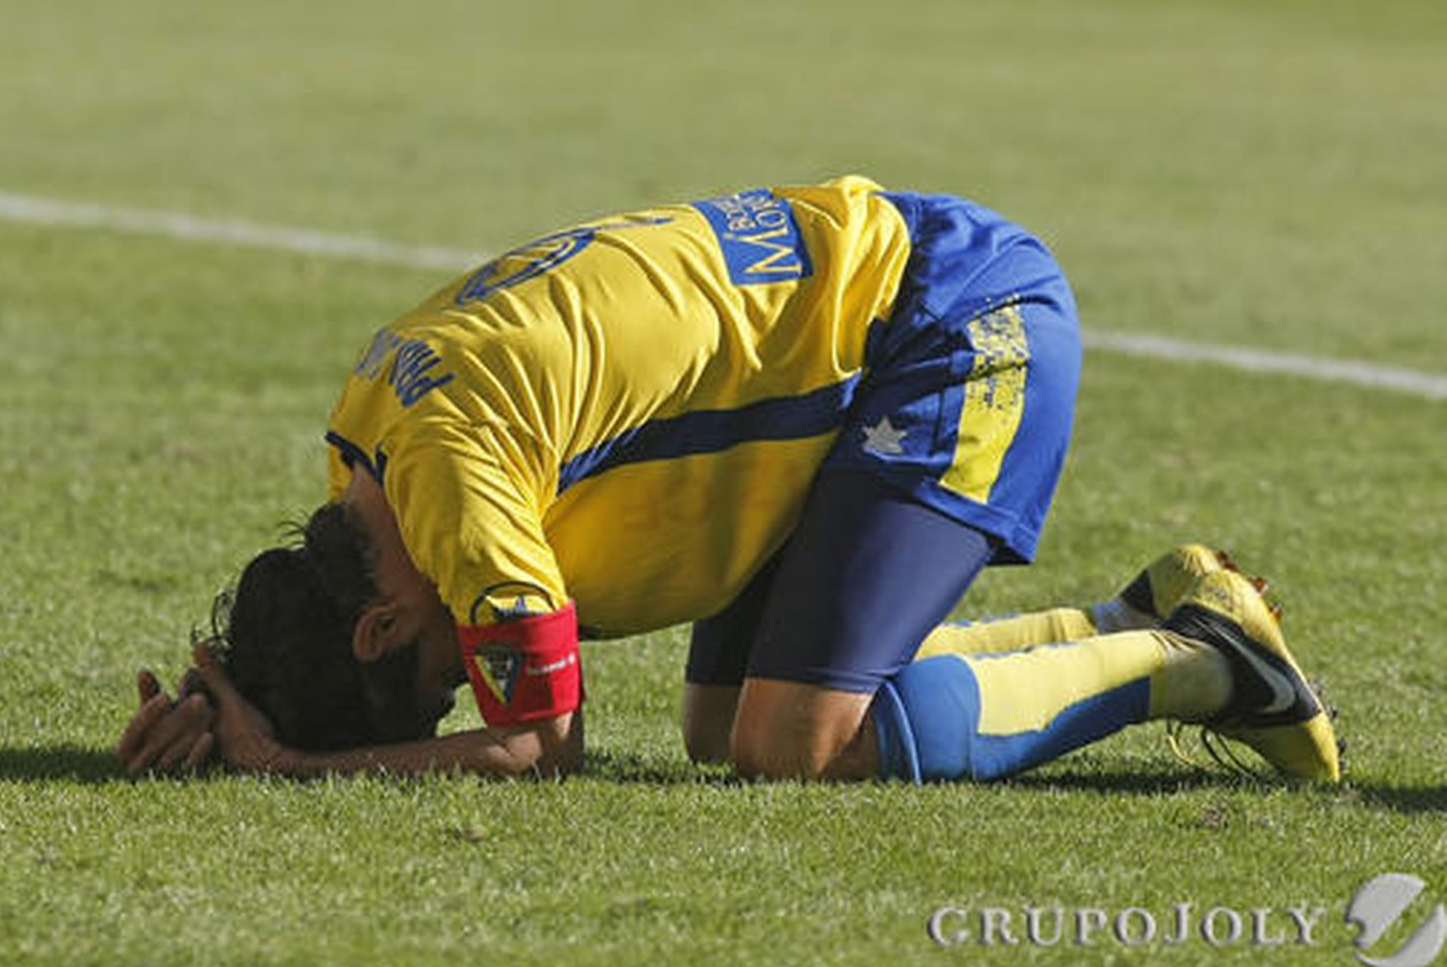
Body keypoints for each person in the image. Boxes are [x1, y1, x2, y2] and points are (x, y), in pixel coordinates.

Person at [115, 176, 1340, 785]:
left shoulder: (453, 486)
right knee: (720, 731)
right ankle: (1132, 617)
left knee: (794, 741)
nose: (459, 690)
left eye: (431, 684)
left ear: (379, 624)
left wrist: (298, 766)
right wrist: (236, 698)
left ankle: (1206, 661)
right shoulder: (368, 448)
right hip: (851, 335)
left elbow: (540, 743)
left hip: (951, 319)